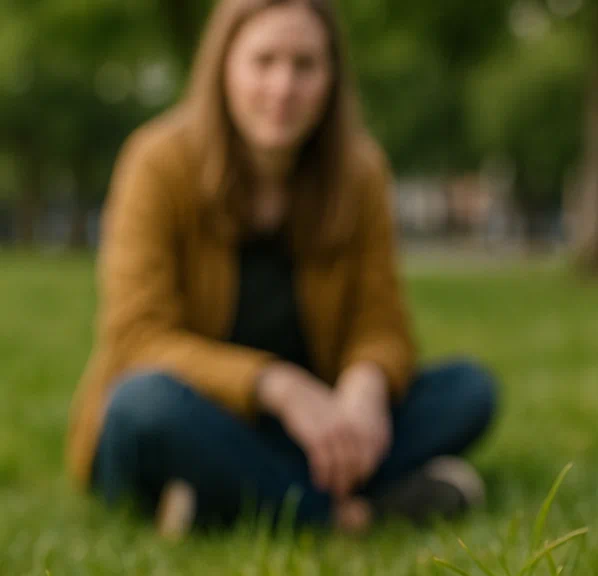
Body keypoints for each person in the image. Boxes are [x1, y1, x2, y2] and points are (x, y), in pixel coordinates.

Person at [63, 0, 498, 536]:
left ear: (332, 76)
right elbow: (137, 337)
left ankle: (223, 499)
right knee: (141, 405)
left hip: (317, 426)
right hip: (200, 416)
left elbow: (381, 322)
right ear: (224, 65)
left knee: (469, 391)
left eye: (304, 65)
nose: (283, 87)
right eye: (263, 61)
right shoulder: (157, 162)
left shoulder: (360, 174)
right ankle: (349, 514)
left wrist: (365, 389)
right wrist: (278, 387)